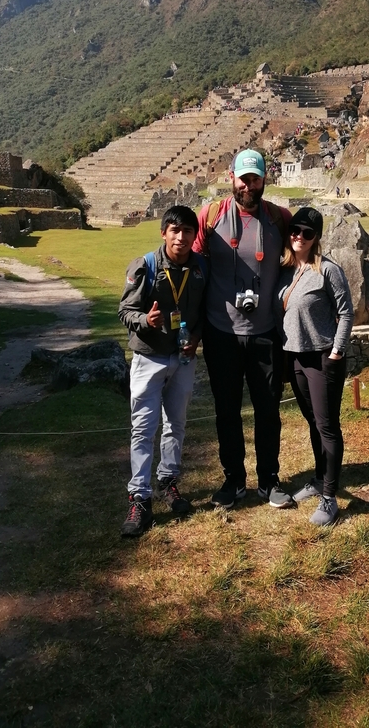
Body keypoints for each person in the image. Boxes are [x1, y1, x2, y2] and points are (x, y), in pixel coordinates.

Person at [193, 149, 293, 510]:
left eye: (255, 178)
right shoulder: (211, 216)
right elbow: (192, 264)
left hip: (265, 332)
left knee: (268, 410)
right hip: (222, 333)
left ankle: (269, 481)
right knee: (227, 410)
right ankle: (233, 480)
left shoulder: (280, 218)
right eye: (243, 178)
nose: (249, 185)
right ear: (230, 178)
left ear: (265, 179)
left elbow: (303, 258)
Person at [117, 206, 208, 538]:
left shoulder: (200, 269)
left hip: (183, 359)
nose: (181, 238)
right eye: (175, 230)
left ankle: (168, 482)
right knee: (143, 429)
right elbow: (125, 310)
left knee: (177, 425)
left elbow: (200, 314)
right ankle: (139, 499)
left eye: (187, 231)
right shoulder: (146, 267)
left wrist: (194, 338)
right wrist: (146, 321)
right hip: (149, 359)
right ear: (163, 233)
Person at [277, 208, 354, 526]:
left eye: (307, 233)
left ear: (316, 238)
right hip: (295, 357)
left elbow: (346, 312)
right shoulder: (285, 269)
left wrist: (337, 351)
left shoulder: (328, 270)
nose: (299, 236)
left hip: (322, 357)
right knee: (312, 422)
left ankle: (330, 498)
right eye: (295, 230)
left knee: (327, 426)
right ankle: (320, 479)